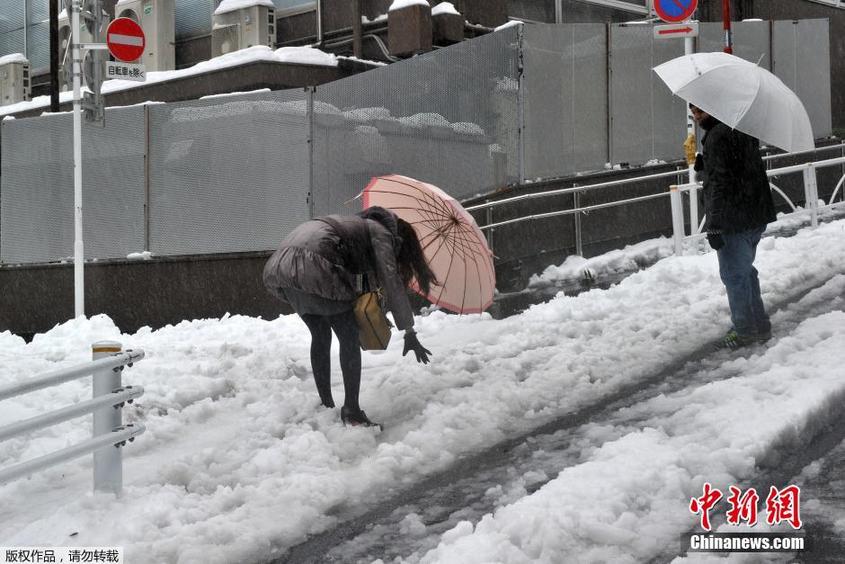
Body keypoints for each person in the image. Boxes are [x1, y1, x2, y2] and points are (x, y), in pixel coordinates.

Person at [263, 206, 436, 427]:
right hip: (314, 265)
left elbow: (354, 272)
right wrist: (409, 331)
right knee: (349, 336)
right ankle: (352, 412)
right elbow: (391, 281)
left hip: (282, 268)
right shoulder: (381, 233)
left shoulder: (353, 225)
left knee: (320, 335)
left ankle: (327, 405)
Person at [690, 104, 777, 349]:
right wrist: (705, 164)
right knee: (745, 270)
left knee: (734, 275)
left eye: (700, 112)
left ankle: (745, 331)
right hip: (754, 213)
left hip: (733, 218)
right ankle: (758, 323)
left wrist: (714, 224)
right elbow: (739, 170)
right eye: (693, 113)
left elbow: (719, 183)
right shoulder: (743, 128)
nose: (697, 118)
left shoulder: (717, 137)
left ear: (714, 108)